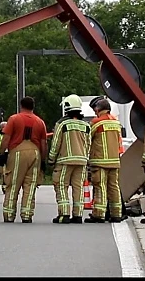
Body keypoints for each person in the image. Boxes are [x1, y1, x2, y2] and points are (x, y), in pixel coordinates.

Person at [0, 97, 47, 223]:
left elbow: (6, 138)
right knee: (30, 186)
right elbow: (44, 143)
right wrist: (43, 160)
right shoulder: (40, 122)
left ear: (21, 106)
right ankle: (27, 214)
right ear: (33, 107)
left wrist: (2, 154)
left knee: (13, 184)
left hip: (17, 152)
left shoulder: (14, 119)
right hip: (35, 153)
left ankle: (9, 215)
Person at [48, 94, 91, 224]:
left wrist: (51, 159)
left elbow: (56, 144)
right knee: (78, 188)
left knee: (61, 186)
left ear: (66, 107)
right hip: (82, 161)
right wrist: (85, 158)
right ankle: (78, 215)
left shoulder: (62, 124)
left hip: (65, 161)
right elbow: (89, 144)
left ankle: (64, 214)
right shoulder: (86, 125)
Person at [85, 97, 124, 224]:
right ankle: (116, 214)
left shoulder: (96, 122)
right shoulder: (116, 122)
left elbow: (87, 140)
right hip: (114, 160)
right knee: (114, 187)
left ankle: (99, 214)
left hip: (100, 161)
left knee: (100, 187)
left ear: (98, 109)